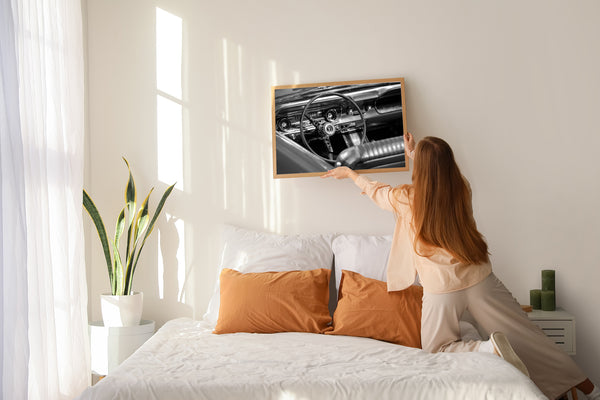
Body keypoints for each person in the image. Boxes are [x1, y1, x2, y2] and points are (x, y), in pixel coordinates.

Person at [322, 132, 598, 400]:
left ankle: (488, 350)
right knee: (528, 337)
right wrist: (415, 153)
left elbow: (377, 192)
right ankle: (590, 390)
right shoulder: (461, 188)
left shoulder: (407, 198)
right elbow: (437, 168)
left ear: (424, 167)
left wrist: (351, 174)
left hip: (442, 289)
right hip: (479, 278)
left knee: (436, 349)